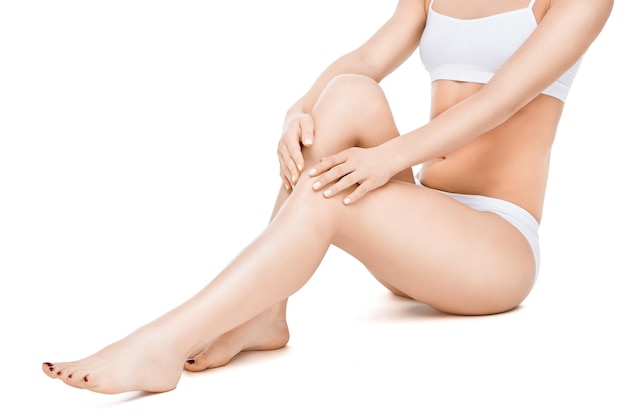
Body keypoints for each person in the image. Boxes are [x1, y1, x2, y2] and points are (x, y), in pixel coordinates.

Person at [42, 0, 613, 394]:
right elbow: (366, 59)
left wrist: (388, 159)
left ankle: (160, 343)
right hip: (418, 231)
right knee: (347, 94)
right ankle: (265, 313)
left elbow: (502, 101)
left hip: (495, 250)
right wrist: (299, 110)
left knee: (324, 195)